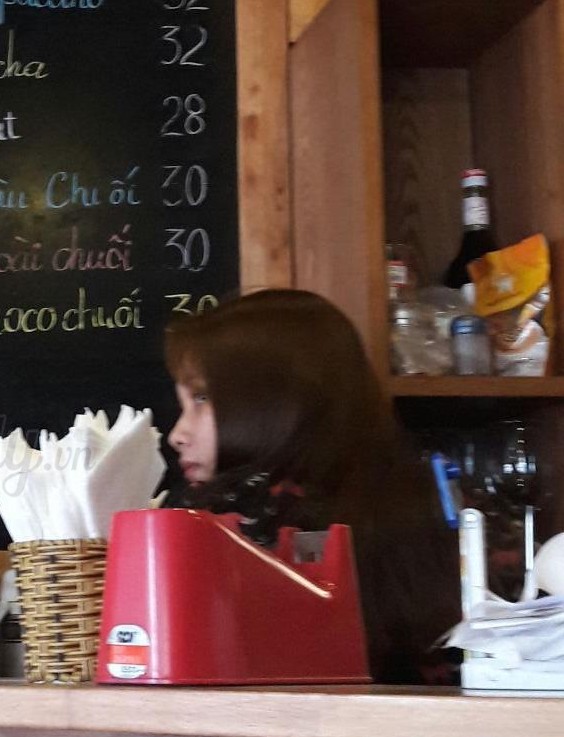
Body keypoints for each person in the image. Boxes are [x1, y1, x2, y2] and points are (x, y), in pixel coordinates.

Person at [165, 289, 460, 684]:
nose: (177, 434)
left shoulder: (256, 522)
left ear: (274, 399)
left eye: (201, 398)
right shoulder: (407, 501)